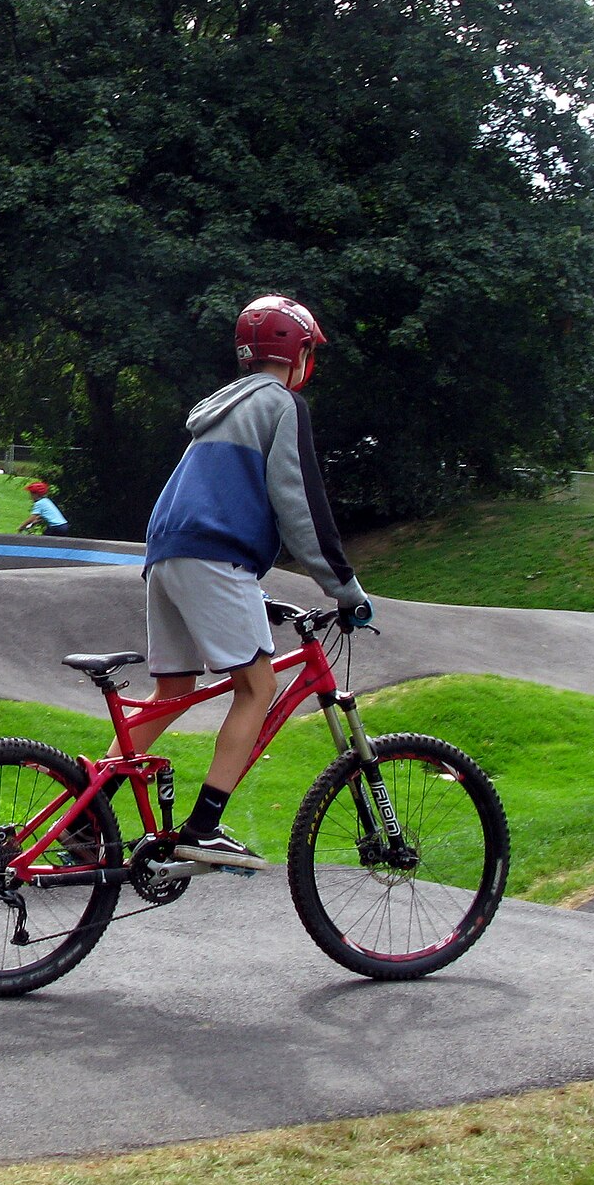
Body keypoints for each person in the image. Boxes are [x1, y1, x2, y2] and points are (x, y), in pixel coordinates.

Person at [123, 295, 371, 871]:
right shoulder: (281, 405)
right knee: (257, 689)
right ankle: (203, 828)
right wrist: (345, 589)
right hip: (214, 556)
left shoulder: (220, 407)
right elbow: (301, 506)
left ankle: (84, 817)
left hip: (166, 553)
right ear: (298, 352)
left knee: (172, 691)